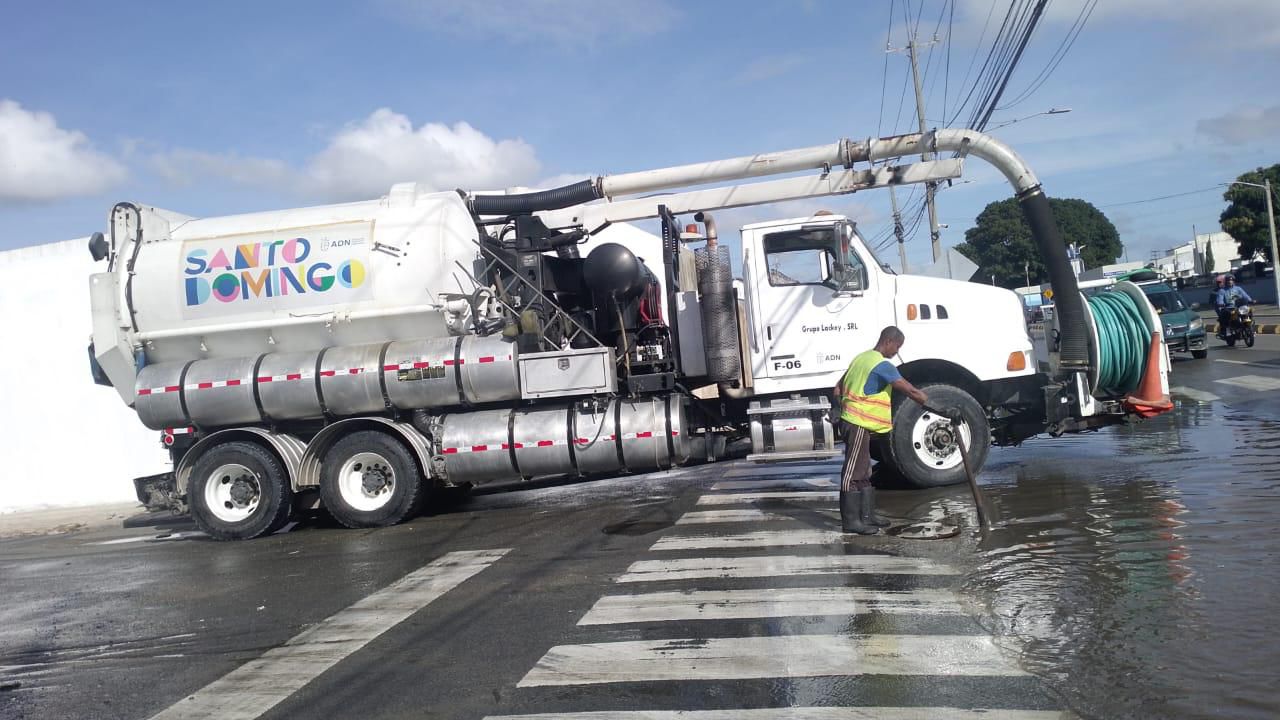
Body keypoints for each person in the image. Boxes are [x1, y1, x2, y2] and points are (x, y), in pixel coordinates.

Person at [832, 326, 929, 535]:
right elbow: (909, 390)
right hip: (857, 421)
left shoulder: (861, 358)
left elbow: (837, 389)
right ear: (888, 341)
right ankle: (851, 522)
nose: (897, 352)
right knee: (853, 472)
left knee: (865, 469)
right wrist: (929, 401)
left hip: (857, 421)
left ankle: (867, 517)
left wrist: (840, 408)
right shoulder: (882, 364)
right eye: (897, 347)